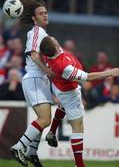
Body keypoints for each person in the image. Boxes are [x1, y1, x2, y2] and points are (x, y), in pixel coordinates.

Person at [40, 36, 119, 167]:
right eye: (55, 41)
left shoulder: (49, 51)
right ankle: (79, 164)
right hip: (69, 93)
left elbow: (43, 47)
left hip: (59, 85)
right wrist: (110, 72)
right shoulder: (64, 67)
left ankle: (52, 132)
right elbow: (87, 77)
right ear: (54, 47)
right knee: (78, 127)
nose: (56, 40)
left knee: (63, 106)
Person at [10, 0, 54, 167]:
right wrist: (46, 71)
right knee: (45, 120)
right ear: (34, 19)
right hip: (35, 77)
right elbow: (34, 54)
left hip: (39, 79)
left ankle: (32, 152)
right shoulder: (36, 31)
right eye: (41, 13)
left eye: (46, 12)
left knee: (44, 119)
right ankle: (18, 147)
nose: (45, 15)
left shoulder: (42, 32)